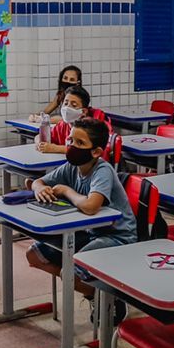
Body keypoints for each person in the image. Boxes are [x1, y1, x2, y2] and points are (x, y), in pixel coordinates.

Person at [25, 117, 139, 323]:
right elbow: (37, 182)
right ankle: (95, 292)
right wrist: (39, 188)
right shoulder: (71, 166)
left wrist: (66, 190)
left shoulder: (102, 170)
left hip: (116, 236)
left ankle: (108, 297)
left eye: (79, 143)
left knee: (69, 272)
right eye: (70, 140)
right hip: (89, 232)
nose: (71, 146)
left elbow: (90, 206)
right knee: (34, 254)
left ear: (95, 152)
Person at [37, 83, 93, 154]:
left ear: (84, 111)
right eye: (65, 104)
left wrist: (55, 148)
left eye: (74, 105)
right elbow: (41, 137)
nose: (67, 108)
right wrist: (40, 143)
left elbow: (82, 151)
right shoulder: (62, 125)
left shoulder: (88, 128)